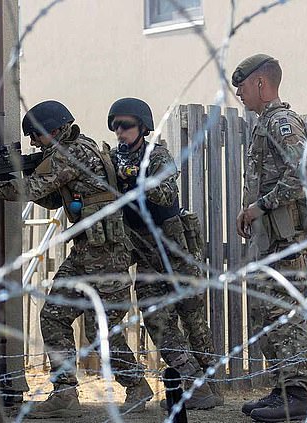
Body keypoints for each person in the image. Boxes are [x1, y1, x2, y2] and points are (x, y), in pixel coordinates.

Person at [0, 100, 153, 417]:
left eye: (37, 136)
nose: (34, 142)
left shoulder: (71, 152)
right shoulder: (71, 149)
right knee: (54, 316)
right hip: (88, 252)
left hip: (107, 254)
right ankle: (65, 392)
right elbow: (50, 197)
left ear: (56, 130)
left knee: (102, 332)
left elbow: (31, 189)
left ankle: (138, 388)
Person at [106, 97, 223, 410]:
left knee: (194, 319)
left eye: (126, 125)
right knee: (157, 319)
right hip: (143, 253)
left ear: (142, 127)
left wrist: (133, 175)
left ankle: (211, 387)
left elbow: (165, 193)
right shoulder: (112, 160)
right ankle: (196, 385)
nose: (120, 131)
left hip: (174, 249)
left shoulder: (157, 156)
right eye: (116, 125)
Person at [232, 54, 307, 422]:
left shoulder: (281, 121)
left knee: (286, 312)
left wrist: (259, 207)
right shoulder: (263, 123)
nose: (239, 93)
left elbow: (302, 172)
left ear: (262, 85)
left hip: (285, 238)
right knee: (268, 311)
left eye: (243, 86)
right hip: (269, 238)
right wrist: (249, 209)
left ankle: (296, 395)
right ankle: (281, 389)